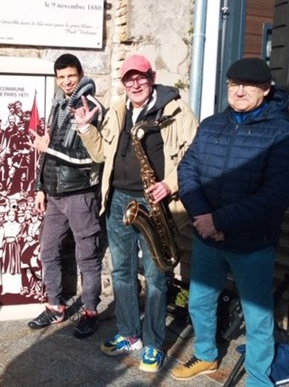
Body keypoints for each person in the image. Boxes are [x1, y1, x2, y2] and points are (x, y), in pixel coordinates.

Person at [172, 58, 289, 385]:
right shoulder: (213, 124)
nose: (239, 91)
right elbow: (187, 170)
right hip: (207, 237)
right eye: (233, 84)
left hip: (251, 243)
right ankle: (206, 354)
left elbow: (276, 195)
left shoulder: (283, 134)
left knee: (257, 316)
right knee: (200, 301)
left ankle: (259, 378)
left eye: (248, 85)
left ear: (266, 90)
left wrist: (218, 220)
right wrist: (203, 217)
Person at [74, 54, 198, 371]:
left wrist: (170, 185)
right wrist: (86, 129)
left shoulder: (175, 109)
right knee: (121, 271)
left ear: (151, 77)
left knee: (156, 277)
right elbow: (102, 152)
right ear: (123, 82)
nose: (135, 83)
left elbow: (194, 155)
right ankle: (130, 334)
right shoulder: (119, 109)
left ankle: (154, 342)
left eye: (140, 76)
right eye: (129, 78)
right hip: (119, 200)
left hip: (155, 203)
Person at [27, 53, 104, 339]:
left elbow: (91, 158)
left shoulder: (91, 106)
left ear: (81, 74)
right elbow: (46, 152)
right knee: (48, 252)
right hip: (55, 195)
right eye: (61, 77)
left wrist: (48, 150)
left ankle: (90, 311)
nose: (66, 82)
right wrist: (39, 188)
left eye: (71, 76)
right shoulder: (58, 104)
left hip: (80, 194)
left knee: (87, 257)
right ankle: (56, 307)